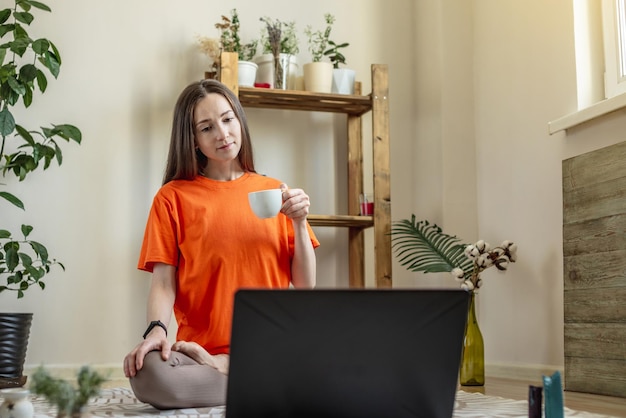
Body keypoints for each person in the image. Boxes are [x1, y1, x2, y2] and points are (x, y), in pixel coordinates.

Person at [123, 79, 319, 409]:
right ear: (194, 140)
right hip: (199, 354)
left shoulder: (274, 191)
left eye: (228, 120)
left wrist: (299, 223)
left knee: (347, 354)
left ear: (240, 120)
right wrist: (157, 331)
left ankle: (232, 371)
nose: (223, 134)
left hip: (273, 347)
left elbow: (304, 283)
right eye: (206, 127)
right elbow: (163, 283)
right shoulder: (172, 197)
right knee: (148, 374)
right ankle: (262, 381)